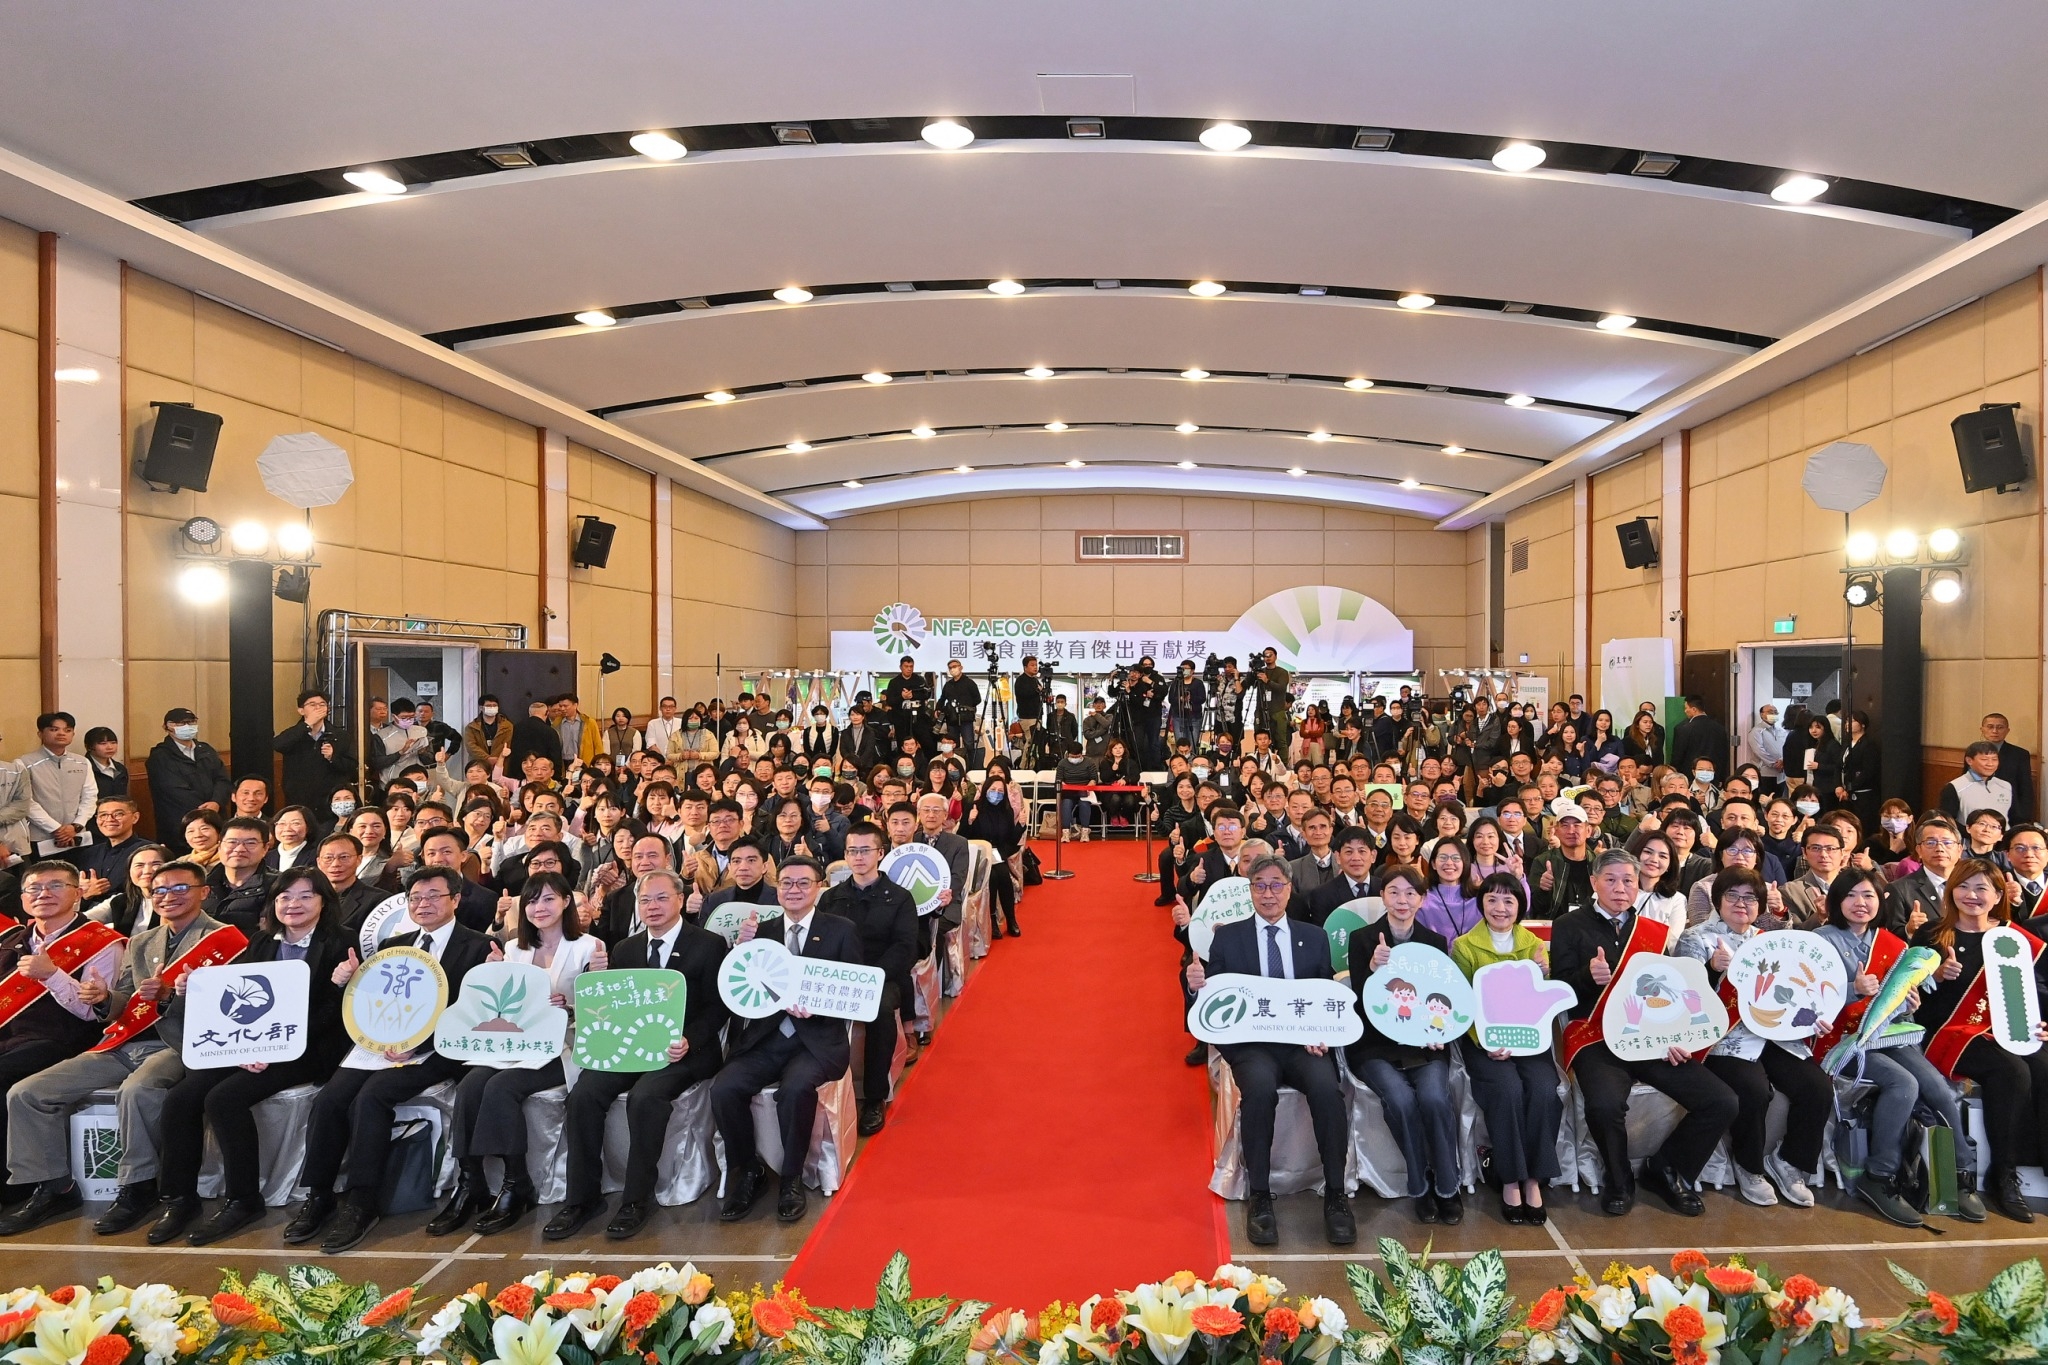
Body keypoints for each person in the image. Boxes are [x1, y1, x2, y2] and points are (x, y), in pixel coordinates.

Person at [0, 857, 229, 1237]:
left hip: (180, 1043)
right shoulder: (141, 942)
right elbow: (123, 1002)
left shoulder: (226, 941)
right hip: (123, 1041)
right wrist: (104, 998)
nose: (168, 896)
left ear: (204, 892)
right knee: (27, 1093)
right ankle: (54, 1188)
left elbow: (231, 1010)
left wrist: (173, 998)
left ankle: (138, 1189)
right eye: (159, 890)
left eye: (180, 888)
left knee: (137, 1091)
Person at [284, 865, 492, 1253]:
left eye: (433, 896)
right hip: (381, 1044)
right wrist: (345, 981)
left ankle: (363, 1202)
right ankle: (319, 1195)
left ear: (456, 900)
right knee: (329, 1099)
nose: (423, 904)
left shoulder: (480, 947)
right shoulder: (394, 945)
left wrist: (419, 1043)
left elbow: (473, 1010)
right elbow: (370, 1000)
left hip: (440, 1048)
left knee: (372, 1096)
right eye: (415, 897)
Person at [147, 865, 354, 1245]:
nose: (293, 904)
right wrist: (191, 986)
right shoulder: (261, 941)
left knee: (224, 1098)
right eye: (285, 896)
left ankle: (243, 1199)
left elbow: (332, 1011)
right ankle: (179, 1199)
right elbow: (232, 992)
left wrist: (271, 1046)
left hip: (310, 1046)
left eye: (305, 896)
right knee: (180, 1098)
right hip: (255, 1041)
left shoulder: (343, 942)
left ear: (324, 902)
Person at [1549, 848, 1738, 1217]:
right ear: (1594, 882)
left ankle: (1666, 1169)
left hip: (1649, 1036)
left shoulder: (1652, 930)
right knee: (1604, 1105)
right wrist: (1588, 977)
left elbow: (1668, 990)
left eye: (1628, 881)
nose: (1620, 888)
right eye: (1611, 880)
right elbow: (1560, 991)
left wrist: (1675, 1035)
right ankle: (1619, 1179)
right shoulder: (1569, 925)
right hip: (1596, 1037)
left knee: (1722, 1100)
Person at [1184, 854, 1354, 1247]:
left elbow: (1323, 994)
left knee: (1327, 1091)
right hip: (1253, 1045)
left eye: (1277, 884)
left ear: (1289, 889)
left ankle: (1336, 1194)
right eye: (1259, 885)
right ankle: (1259, 1195)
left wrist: (1322, 1032)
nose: (1268, 893)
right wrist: (1195, 986)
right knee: (1259, 1092)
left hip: (1302, 1044)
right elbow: (1215, 1000)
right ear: (1250, 891)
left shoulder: (1313, 936)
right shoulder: (1229, 937)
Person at [432, 872, 605, 1239]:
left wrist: (569, 1006)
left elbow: (602, 1011)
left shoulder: (589, 947)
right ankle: (470, 1181)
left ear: (566, 902)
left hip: (563, 1046)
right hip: (514, 1044)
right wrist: (493, 976)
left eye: (548, 899)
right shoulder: (513, 949)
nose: (539, 907)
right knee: (471, 1085)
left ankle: (516, 1184)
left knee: (501, 1087)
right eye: (531, 900)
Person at [1813, 866, 1981, 1227]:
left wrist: (1909, 1003)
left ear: (1880, 901)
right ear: (1836, 900)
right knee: (1903, 1083)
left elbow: (1899, 1002)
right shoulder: (1818, 941)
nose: (1860, 902)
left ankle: (1960, 1173)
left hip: (1887, 1035)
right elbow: (1806, 1000)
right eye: (1851, 895)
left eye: (1868, 895)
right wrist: (1852, 990)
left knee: (1937, 1086)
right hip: (1841, 1040)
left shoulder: (1894, 944)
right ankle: (1880, 1175)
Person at [714, 856, 866, 1224]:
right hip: (766, 1037)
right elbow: (739, 989)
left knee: (796, 1089)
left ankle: (792, 1178)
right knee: (724, 1088)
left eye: (803, 883)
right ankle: (748, 1171)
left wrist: (818, 1007)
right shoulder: (760, 932)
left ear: (818, 887)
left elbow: (855, 991)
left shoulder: (841, 930)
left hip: (816, 1040)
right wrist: (738, 951)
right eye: (786, 883)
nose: (793, 890)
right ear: (777, 887)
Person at [1675, 868, 1832, 1207]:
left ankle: (1789, 1161)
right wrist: (1711, 970)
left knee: (1817, 1085)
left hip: (1774, 1034)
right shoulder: (1695, 938)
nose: (1741, 903)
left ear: (1760, 905)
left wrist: (1813, 1018)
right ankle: (1749, 1167)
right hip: (1725, 1037)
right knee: (1754, 1089)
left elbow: (1792, 993)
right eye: (1732, 895)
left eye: (1750, 897)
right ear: (1718, 900)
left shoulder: (1768, 940)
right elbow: (1685, 997)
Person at [1912, 857, 2048, 1222]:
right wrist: (1934, 978)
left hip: (2004, 1030)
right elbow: (1909, 999)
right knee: (2012, 1071)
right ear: (1951, 891)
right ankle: (2003, 1174)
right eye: (1963, 886)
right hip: (1947, 1032)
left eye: (1981, 888)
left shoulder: (2013, 938)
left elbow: (2036, 992)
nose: (1971, 895)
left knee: (2044, 1065)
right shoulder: (1932, 936)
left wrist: (2042, 1023)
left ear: (1998, 895)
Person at [0, 862, 122, 1206]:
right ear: (23, 898)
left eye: (55, 886)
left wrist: (52, 974)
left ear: (78, 893)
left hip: (65, 1041)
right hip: (10, 1038)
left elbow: (93, 1013)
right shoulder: (11, 941)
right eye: (34, 888)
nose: (43, 894)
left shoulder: (102, 942)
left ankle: (15, 1188)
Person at [1345, 864, 1461, 1225]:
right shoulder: (1363, 939)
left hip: (1424, 1043)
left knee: (1434, 1098)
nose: (1402, 900)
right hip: (1375, 1045)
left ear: (1422, 899)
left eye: (1411, 893)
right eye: (1394, 892)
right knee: (1400, 1099)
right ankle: (1420, 1184)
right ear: (1382, 896)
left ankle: (1448, 1185)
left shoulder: (1434, 942)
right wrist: (1372, 967)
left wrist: (1441, 1031)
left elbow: (1443, 998)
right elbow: (1361, 1000)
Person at [1450, 871, 1561, 1223]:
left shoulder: (1533, 944)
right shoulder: (1464, 946)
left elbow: (1545, 999)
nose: (1500, 908)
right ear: (1481, 904)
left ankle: (1534, 1178)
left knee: (1544, 1089)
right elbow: (1462, 1004)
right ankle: (1510, 1178)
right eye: (1492, 899)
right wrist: (1486, 1041)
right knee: (1507, 1088)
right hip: (1483, 1041)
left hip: (1528, 1038)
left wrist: (1545, 973)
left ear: (1520, 906)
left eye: (1508, 900)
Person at [815, 824, 919, 1132]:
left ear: (880, 853)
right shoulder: (832, 897)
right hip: (838, 975)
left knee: (879, 1010)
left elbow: (905, 947)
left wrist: (871, 977)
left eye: (865, 850)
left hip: (881, 977)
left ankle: (875, 1096)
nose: (858, 857)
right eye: (852, 851)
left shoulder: (899, 898)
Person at [144, 709, 229, 856]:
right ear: (166, 727)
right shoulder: (160, 756)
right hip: (179, 825)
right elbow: (174, 791)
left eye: (191, 722)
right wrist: (204, 812)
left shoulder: (206, 750)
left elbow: (223, 779)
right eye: (180, 723)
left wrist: (216, 801)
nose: (187, 726)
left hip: (215, 819)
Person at [19, 713, 95, 857]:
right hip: (41, 836)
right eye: (54, 729)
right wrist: (56, 829)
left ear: (73, 734)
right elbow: (26, 801)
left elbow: (90, 797)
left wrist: (76, 826)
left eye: (67, 730)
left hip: (77, 834)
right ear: (40, 733)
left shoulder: (82, 762)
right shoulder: (24, 763)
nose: (61, 733)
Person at [272, 690, 356, 813]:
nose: (318, 708)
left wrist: (333, 757)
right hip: (299, 799)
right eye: (312, 704)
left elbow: (352, 766)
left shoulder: (340, 735)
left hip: (330, 799)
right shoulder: (294, 734)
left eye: (322, 704)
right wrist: (307, 724)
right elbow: (278, 745)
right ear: (301, 710)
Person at [961, 774, 1023, 938]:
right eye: (993, 789)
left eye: (1000, 791)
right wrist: (969, 821)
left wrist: (1021, 826)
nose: (996, 793)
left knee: (1003, 875)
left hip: (997, 853)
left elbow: (1010, 840)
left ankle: (1011, 919)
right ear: (985, 790)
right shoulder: (973, 807)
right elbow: (962, 836)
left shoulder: (1006, 811)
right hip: (977, 854)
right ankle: (992, 920)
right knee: (992, 877)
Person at [1887, 816, 1962, 938]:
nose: (1939, 849)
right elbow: (1891, 937)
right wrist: (1909, 930)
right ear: (1919, 850)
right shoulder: (1899, 889)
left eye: (1947, 843)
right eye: (1931, 843)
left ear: (1959, 850)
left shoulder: (1972, 886)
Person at [1979, 712, 2036, 825]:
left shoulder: (2020, 754)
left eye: (2000, 727)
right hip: (1979, 807)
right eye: (1990, 727)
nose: (1995, 731)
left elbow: (2025, 787)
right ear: (1982, 729)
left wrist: (2024, 815)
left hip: (2010, 810)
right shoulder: (1973, 752)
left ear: (2007, 730)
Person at [1942, 740, 2015, 824]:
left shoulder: (2006, 786)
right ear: (1969, 760)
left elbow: (2013, 817)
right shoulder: (1955, 787)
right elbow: (1947, 822)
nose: (1990, 764)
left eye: (1994, 759)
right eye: (1984, 759)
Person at [1836, 710, 1881, 831]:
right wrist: (1838, 786)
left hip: (1862, 795)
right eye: (1846, 721)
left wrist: (1849, 789)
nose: (1848, 724)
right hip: (1845, 792)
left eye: (1852, 721)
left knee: (1862, 826)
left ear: (1863, 724)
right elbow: (1839, 766)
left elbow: (1868, 772)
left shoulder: (1868, 744)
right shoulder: (1847, 744)